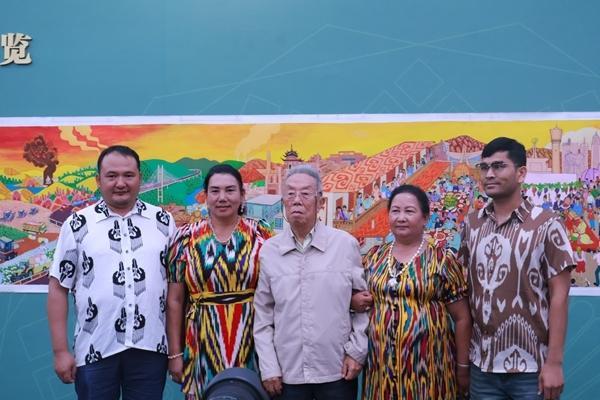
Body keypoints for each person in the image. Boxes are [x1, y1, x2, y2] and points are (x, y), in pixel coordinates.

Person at [47, 145, 176, 400]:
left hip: (150, 348)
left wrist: (176, 350)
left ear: (139, 178)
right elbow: (58, 288)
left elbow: (175, 290)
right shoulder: (77, 224)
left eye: (128, 175)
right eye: (111, 176)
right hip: (95, 349)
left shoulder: (163, 221)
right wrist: (60, 351)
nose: (120, 183)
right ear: (98, 180)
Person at [460, 137, 575, 400]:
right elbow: (464, 292)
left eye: (499, 166)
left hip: (532, 369)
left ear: (521, 173)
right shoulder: (472, 224)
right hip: (482, 367)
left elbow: (559, 297)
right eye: (484, 167)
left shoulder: (547, 224)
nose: (489, 174)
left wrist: (554, 362)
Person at [253, 165, 368, 400]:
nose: (297, 200)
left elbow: (363, 306)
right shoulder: (270, 251)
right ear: (283, 202)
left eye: (305, 194)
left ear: (320, 202)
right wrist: (269, 367)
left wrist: (357, 352)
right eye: (290, 194)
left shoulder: (344, 245)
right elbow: (263, 316)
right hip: (288, 374)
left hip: (337, 370)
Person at [166, 164, 273, 399]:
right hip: (202, 338)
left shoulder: (260, 233)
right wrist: (175, 354)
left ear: (242, 195)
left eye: (230, 190)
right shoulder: (185, 238)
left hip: (252, 337)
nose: (222, 197)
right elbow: (175, 300)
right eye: (215, 191)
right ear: (206, 196)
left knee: (249, 393)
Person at [362, 184, 471, 400]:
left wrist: (462, 366)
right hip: (380, 369)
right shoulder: (374, 257)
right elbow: (359, 299)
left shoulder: (442, 260)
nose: (401, 217)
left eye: (409, 211)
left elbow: (462, 318)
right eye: (395, 211)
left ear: (425, 218)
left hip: (429, 369)